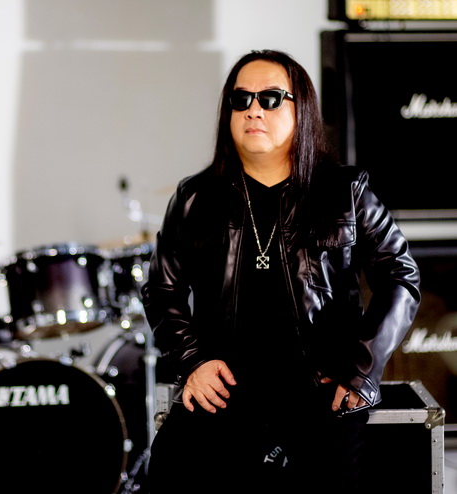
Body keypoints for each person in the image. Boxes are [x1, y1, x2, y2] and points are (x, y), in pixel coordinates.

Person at [141, 49, 420, 493]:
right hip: (224, 388)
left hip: (321, 389)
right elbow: (162, 290)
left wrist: (361, 370)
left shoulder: (346, 191)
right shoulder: (195, 198)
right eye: (241, 99)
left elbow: (400, 277)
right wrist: (193, 361)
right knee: (167, 474)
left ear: (300, 108)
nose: (253, 109)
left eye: (270, 98)